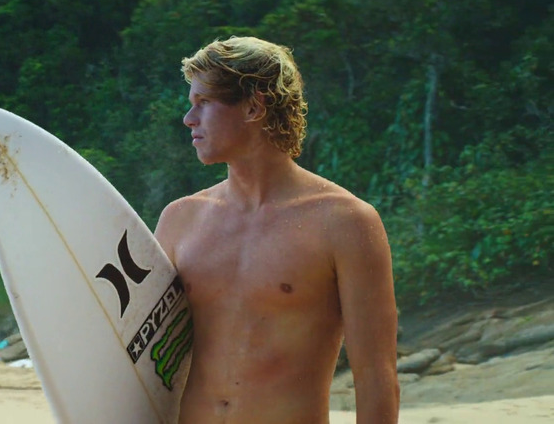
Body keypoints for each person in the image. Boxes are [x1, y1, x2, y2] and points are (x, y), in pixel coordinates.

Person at [154, 37, 399, 423]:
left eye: (203, 103)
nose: (189, 118)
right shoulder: (180, 219)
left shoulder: (345, 222)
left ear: (253, 106)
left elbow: (376, 375)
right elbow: (144, 359)